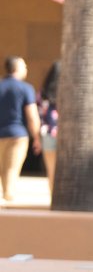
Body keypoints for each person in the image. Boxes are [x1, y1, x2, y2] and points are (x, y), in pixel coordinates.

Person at [0, 56, 41, 204]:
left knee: (3, 168)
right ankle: (8, 199)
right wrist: (37, 137)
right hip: (17, 135)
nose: (26, 69)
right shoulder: (26, 88)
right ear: (17, 68)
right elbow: (32, 115)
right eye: (24, 66)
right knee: (11, 169)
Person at [37, 60, 60, 192]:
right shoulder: (71, 90)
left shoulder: (43, 94)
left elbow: (39, 113)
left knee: (51, 171)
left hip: (48, 133)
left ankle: (54, 197)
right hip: (67, 133)